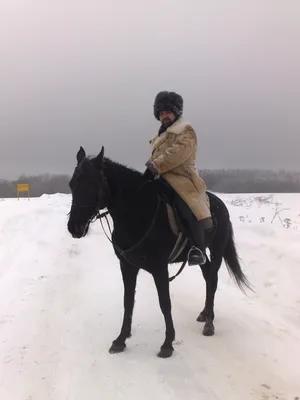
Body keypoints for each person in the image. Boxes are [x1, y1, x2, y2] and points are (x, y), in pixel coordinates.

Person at [144, 91, 213, 266]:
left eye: (167, 112)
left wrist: (155, 165)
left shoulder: (185, 131)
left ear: (176, 112)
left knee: (183, 204)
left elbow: (178, 153)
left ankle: (197, 248)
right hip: (161, 177)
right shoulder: (161, 135)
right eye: (160, 113)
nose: (164, 116)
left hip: (182, 178)